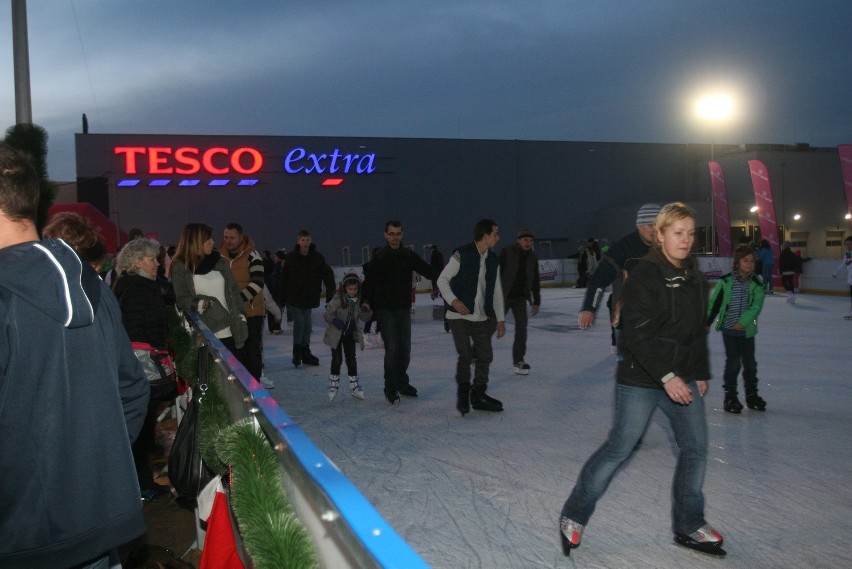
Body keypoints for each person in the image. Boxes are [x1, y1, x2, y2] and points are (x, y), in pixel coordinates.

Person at [0, 143, 150, 569]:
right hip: (97, 530)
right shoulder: (94, 285)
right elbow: (132, 388)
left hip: (21, 541)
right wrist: (89, 469)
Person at [559, 202, 725, 559]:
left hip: (680, 377)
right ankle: (574, 515)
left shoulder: (693, 274)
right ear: (660, 235)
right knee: (619, 448)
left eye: (691, 233)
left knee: (696, 448)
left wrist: (698, 372)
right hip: (641, 378)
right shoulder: (644, 272)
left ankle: (689, 524)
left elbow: (697, 329)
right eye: (678, 233)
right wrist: (666, 376)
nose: (685, 240)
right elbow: (634, 334)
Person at [113, 237, 175, 500]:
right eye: (151, 259)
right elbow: (134, 326)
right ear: (137, 262)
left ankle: (141, 481)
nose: (156, 264)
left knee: (141, 422)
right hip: (142, 365)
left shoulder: (129, 284)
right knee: (139, 424)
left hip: (135, 364)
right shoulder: (139, 288)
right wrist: (153, 349)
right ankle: (142, 486)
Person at [361, 220, 438, 404]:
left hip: (403, 309)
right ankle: (390, 386)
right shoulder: (380, 257)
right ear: (386, 235)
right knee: (393, 349)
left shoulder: (408, 255)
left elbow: (427, 270)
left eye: (398, 234)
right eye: (392, 233)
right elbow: (370, 282)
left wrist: (444, 277)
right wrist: (365, 301)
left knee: (405, 350)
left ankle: (402, 383)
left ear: (402, 235)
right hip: (385, 309)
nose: (395, 237)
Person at [437, 219, 506, 415]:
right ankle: (463, 393)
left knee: (485, 355)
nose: (498, 238)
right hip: (457, 315)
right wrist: (453, 300)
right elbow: (442, 279)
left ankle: (478, 394)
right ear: (486, 236)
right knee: (466, 354)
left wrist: (499, 319)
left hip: (479, 316)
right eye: (496, 234)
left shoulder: (493, 260)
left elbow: (496, 292)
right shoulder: (462, 254)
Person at [577, 203, 661, 354]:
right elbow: (599, 279)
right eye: (650, 225)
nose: (655, 229)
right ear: (639, 225)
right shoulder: (623, 249)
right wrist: (589, 307)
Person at [171, 223, 248, 356]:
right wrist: (201, 303)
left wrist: (241, 316)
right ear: (196, 241)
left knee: (234, 374)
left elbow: (234, 292)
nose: (213, 242)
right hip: (205, 333)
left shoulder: (219, 261)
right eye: (208, 239)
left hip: (232, 330)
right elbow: (182, 299)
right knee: (212, 375)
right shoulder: (180, 266)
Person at [707, 244, 767, 413]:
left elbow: (756, 307)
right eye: (745, 260)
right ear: (737, 262)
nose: (749, 264)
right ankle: (730, 397)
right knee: (733, 363)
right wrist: (706, 322)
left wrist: (743, 322)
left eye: (752, 261)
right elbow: (715, 303)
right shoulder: (726, 281)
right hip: (729, 330)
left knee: (750, 364)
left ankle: (751, 395)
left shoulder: (757, 283)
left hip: (747, 331)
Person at [221, 222, 270, 386]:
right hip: (231, 313)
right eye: (226, 237)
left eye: (232, 238)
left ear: (241, 237)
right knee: (235, 351)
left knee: (252, 351)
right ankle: (239, 386)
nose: (228, 241)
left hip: (252, 312)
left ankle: (254, 385)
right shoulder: (220, 256)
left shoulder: (252, 254)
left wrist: (238, 300)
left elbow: (258, 282)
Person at [280, 229, 335, 367]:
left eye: (308, 240)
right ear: (298, 241)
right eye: (303, 240)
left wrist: (330, 294)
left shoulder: (317, 257)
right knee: (300, 322)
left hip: (309, 297)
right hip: (294, 297)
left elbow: (328, 274)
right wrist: (282, 298)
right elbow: (284, 278)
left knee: (307, 324)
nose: (305, 243)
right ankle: (297, 351)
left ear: (311, 241)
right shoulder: (291, 258)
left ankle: (305, 351)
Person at [323, 273, 372, 401]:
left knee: (351, 359)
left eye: (355, 289)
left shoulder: (359, 300)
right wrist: (335, 320)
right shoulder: (338, 299)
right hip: (336, 335)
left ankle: (354, 387)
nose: (353, 291)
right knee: (337, 360)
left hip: (350, 334)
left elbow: (363, 318)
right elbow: (327, 314)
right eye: (350, 289)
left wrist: (366, 311)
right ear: (345, 288)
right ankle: (333, 386)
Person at [499, 228, 541, 375]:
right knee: (491, 326)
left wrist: (536, 301)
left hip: (520, 298)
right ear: (518, 240)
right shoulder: (507, 252)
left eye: (530, 240)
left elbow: (535, 279)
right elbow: (496, 274)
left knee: (522, 328)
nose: (528, 243)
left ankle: (519, 361)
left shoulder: (533, 257)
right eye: (525, 240)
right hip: (503, 296)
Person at [832, 235, 852, 319]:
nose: (848, 246)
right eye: (846, 244)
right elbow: (843, 264)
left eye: (850, 244)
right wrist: (835, 272)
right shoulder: (847, 254)